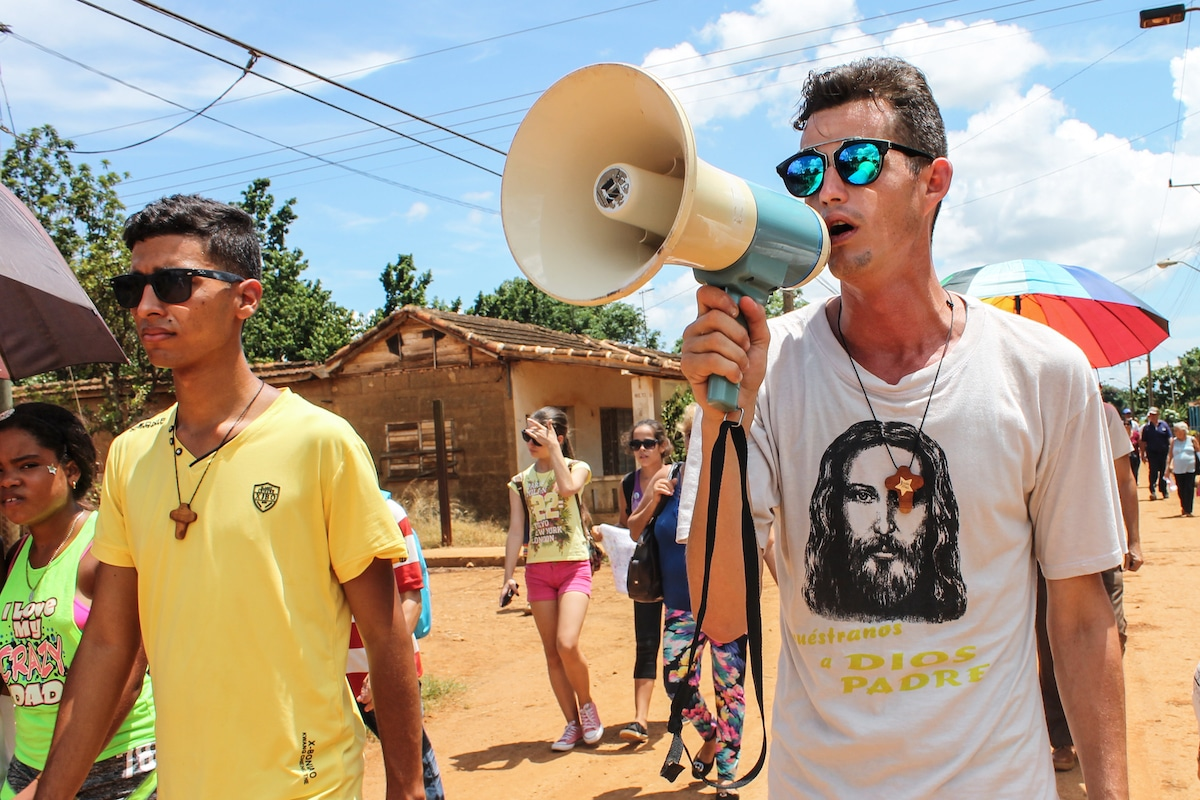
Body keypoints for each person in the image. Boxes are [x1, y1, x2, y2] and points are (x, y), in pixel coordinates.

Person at [678, 57, 1127, 797]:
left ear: (933, 182)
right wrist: (725, 415)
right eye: (803, 172)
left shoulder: (1044, 372)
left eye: (856, 161)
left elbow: (1081, 617)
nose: (826, 190)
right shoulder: (762, 370)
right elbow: (721, 616)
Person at [29, 195, 424, 799]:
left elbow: (384, 633)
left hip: (307, 780)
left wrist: (408, 786)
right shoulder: (132, 457)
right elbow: (110, 641)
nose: (147, 306)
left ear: (246, 298)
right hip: (186, 783)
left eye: (174, 283)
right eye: (132, 288)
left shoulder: (317, 443)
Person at [0, 404, 157, 799]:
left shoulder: (104, 547)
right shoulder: (15, 557)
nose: (8, 481)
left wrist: (47, 787)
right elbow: (21, 674)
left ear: (71, 471)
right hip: (27, 767)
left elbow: (126, 675)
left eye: (28, 465)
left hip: (119, 772)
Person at [634, 422, 747, 798]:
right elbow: (634, 528)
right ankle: (711, 736)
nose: (698, 441)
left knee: (729, 691)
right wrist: (654, 500)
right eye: (691, 434)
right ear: (683, 440)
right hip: (681, 608)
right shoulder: (669, 476)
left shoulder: (736, 475)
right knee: (675, 683)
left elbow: (762, 535)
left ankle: (728, 776)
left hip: (728, 602)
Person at [1035, 400, 1144, 772]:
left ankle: (1095, 716)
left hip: (1101, 547)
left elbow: (1124, 478)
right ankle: (1063, 738)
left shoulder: (1107, 414)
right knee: (1051, 647)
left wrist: (1134, 540)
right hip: (1048, 550)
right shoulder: (1037, 408)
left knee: (1114, 634)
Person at [501, 407, 602, 751]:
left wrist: (556, 453)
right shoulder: (520, 481)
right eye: (526, 435)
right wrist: (508, 576)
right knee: (552, 653)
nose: (530, 441)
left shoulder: (578, 468)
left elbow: (567, 488)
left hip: (573, 565)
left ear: (558, 438)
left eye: (538, 435)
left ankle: (588, 707)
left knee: (567, 643)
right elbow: (517, 531)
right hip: (538, 572)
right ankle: (572, 723)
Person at [348, 493, 444, 799]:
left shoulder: (385, 511)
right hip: (326, 678)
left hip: (375, 674)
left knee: (412, 774)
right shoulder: (301, 510)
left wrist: (383, 671)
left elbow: (411, 598)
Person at [615, 419, 671, 746]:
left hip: (680, 570)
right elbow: (628, 526)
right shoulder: (628, 483)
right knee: (646, 643)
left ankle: (686, 710)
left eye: (648, 443)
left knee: (685, 645)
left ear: (662, 445)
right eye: (636, 445)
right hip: (648, 572)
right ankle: (640, 719)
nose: (642, 451)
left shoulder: (679, 475)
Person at [1167, 422, 1200, 517]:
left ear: (1183, 431)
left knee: (1189, 488)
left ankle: (1188, 510)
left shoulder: (1192, 440)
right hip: (1178, 469)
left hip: (1190, 468)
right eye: (1175, 430)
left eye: (1177, 430)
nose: (1175, 432)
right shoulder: (1174, 441)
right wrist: (1168, 467)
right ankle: (1184, 507)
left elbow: (1198, 452)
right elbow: (1170, 455)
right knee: (1181, 489)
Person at [1142, 407, 1172, 500]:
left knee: (1163, 472)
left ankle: (1163, 491)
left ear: (1158, 414)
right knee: (1153, 472)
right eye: (1151, 415)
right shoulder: (1146, 428)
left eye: (1154, 415)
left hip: (1163, 453)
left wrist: (1172, 449)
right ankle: (1153, 491)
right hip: (1152, 453)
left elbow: (1169, 437)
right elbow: (1143, 442)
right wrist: (1142, 454)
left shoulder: (1164, 425)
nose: (1152, 417)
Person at [1126, 410, 1141, 486]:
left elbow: (1140, 441)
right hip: (1126, 455)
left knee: (1135, 468)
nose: (1127, 426)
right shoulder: (1122, 434)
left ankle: (1134, 481)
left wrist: (1141, 451)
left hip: (1135, 453)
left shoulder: (1135, 433)